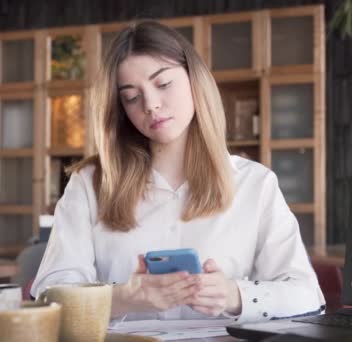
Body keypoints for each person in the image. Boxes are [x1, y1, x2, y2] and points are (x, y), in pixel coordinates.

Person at [31, 21, 325, 323]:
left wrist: (234, 295)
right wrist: (122, 298)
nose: (151, 105)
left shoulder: (255, 183)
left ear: (194, 79)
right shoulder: (90, 184)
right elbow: (48, 297)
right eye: (132, 97)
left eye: (163, 84)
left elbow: (307, 295)